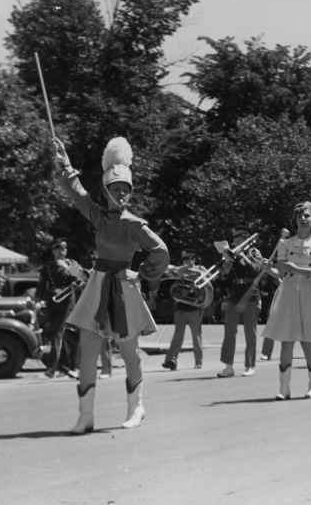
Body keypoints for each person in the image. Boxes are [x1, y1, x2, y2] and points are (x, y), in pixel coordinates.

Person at [53, 136, 168, 434]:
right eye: (116, 189)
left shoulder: (134, 223)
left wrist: (140, 274)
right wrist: (64, 161)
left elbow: (161, 251)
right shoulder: (98, 216)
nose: (121, 194)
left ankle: (136, 407)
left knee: (129, 353)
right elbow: (76, 192)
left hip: (123, 287)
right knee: (88, 350)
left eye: (125, 190)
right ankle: (86, 416)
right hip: (97, 285)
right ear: (105, 192)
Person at [260, 201, 311, 400]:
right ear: (294, 220)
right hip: (288, 291)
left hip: (310, 291)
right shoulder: (284, 243)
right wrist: (268, 269)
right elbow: (281, 271)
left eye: (307, 216)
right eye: (300, 216)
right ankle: (284, 388)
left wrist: (295, 268)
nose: (303, 219)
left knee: (308, 341)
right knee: (287, 341)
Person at [218, 227, 265, 377]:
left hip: (250, 295)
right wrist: (227, 268)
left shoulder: (254, 253)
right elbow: (224, 279)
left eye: (238, 240)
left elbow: (256, 270)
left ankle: (250, 365)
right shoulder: (233, 255)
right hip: (235, 294)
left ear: (246, 239)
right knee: (229, 331)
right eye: (234, 240)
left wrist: (242, 257)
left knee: (249, 333)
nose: (235, 242)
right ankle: (228, 366)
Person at [36, 238, 84, 378]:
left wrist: (72, 272)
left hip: (67, 302)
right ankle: (66, 367)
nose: (60, 251)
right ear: (53, 251)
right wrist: (38, 300)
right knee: (59, 334)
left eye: (63, 248)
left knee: (57, 333)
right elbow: (41, 285)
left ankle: (52, 368)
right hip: (52, 302)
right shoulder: (48, 266)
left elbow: (79, 281)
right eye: (57, 248)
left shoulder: (72, 264)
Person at [162, 250, 205, 372]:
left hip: (194, 308)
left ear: (194, 260)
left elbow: (205, 276)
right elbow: (170, 273)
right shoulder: (180, 270)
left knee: (196, 337)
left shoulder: (199, 268)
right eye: (184, 260)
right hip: (180, 308)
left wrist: (193, 270)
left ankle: (198, 362)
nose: (186, 262)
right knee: (177, 336)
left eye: (189, 259)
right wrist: (182, 269)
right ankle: (170, 360)